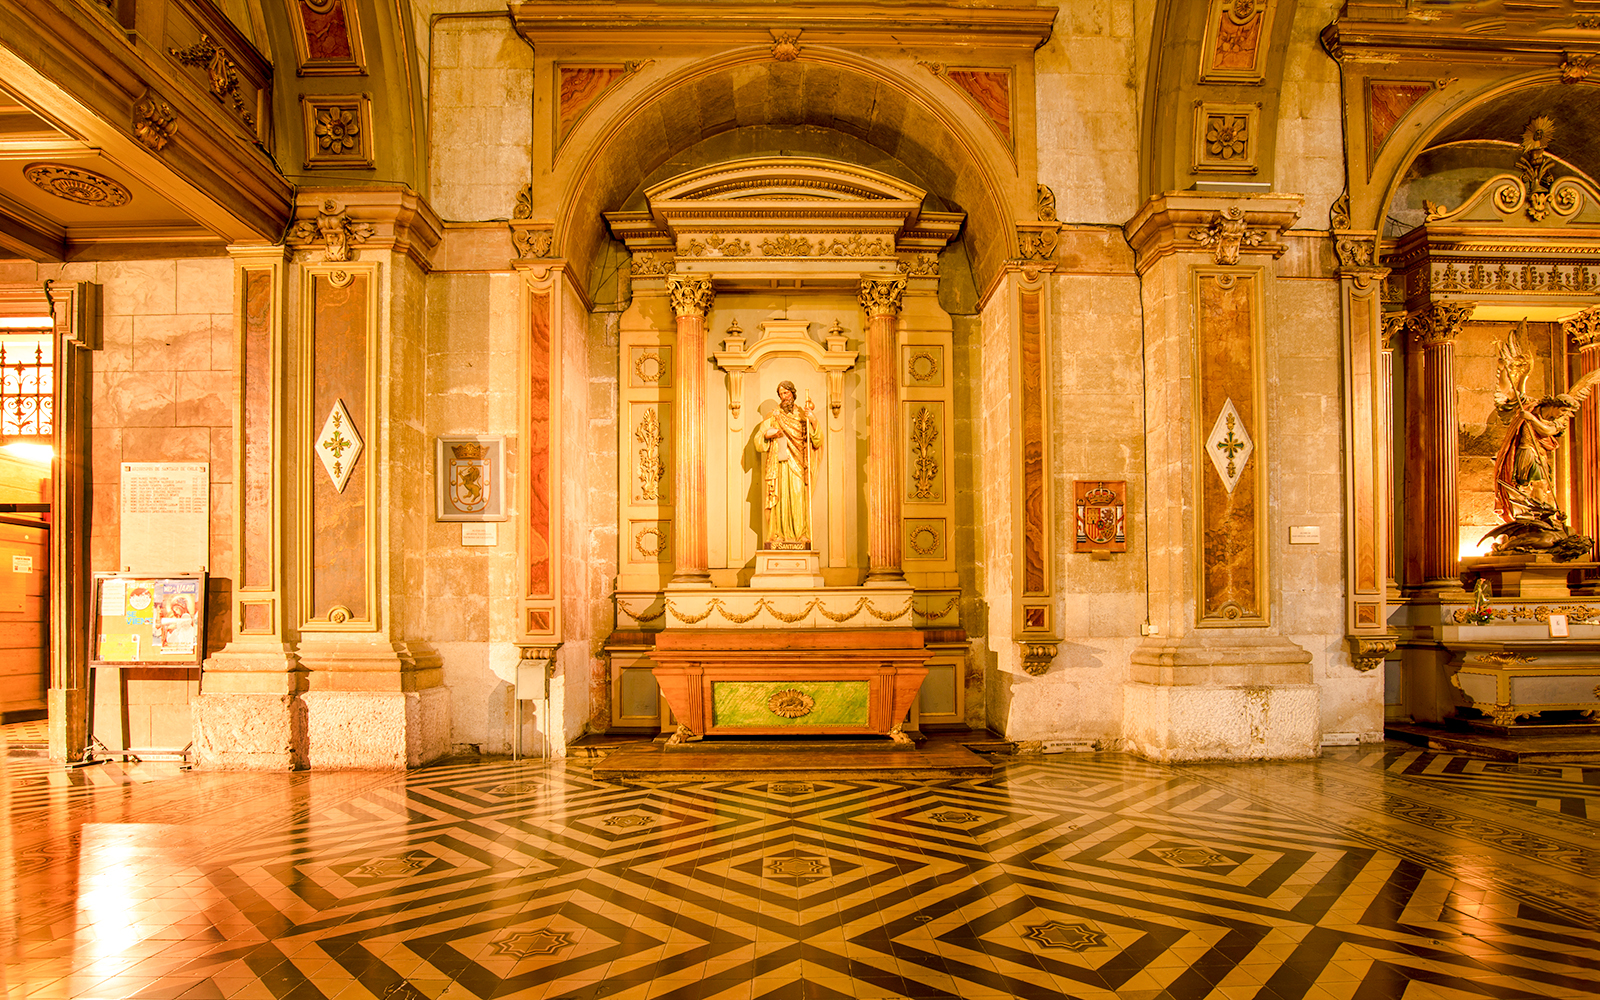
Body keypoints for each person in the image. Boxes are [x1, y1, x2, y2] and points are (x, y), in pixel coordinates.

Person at [754, 380, 820, 549]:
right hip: (779, 464)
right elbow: (758, 439)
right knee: (781, 498)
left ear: (793, 393)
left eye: (786, 393)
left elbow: (817, 440)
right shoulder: (774, 415)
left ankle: (801, 535)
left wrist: (812, 421)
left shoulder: (802, 415)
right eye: (781, 394)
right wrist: (769, 435)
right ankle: (779, 535)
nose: (784, 397)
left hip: (798, 462)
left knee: (798, 497)